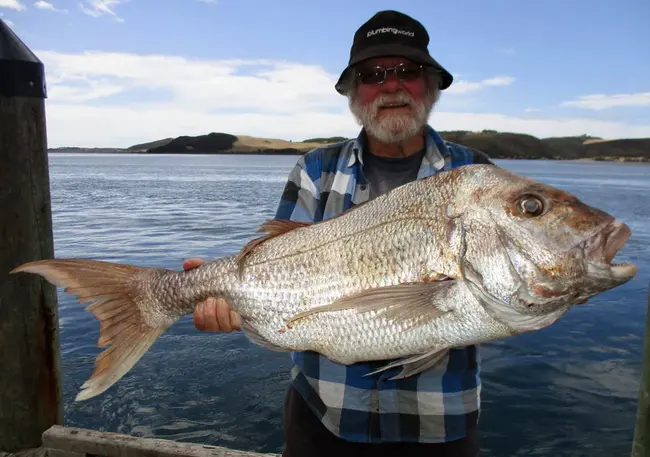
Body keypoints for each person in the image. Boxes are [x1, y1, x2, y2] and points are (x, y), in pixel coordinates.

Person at [184, 9, 493, 457]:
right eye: (372, 74)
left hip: (439, 420)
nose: (391, 85)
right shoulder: (315, 169)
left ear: (431, 85)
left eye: (407, 71)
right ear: (353, 92)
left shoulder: (475, 174)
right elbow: (275, 261)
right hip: (323, 416)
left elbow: (500, 291)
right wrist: (221, 296)